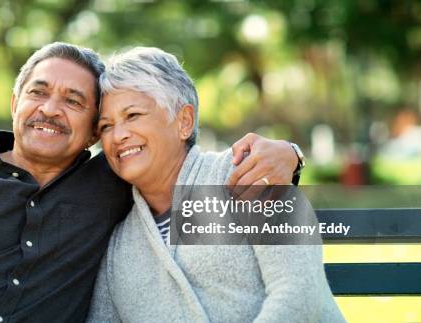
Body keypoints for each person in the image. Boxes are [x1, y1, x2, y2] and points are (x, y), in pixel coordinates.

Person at [0, 42, 300, 322]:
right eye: (39, 92)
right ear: (15, 102)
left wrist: (287, 156)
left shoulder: (114, 182)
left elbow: (182, 162)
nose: (50, 108)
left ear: (95, 127)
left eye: (74, 100)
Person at [88, 47, 345, 322]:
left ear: (184, 122)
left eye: (133, 115)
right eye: (106, 126)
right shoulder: (118, 245)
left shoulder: (249, 173)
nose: (119, 135)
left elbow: (301, 294)